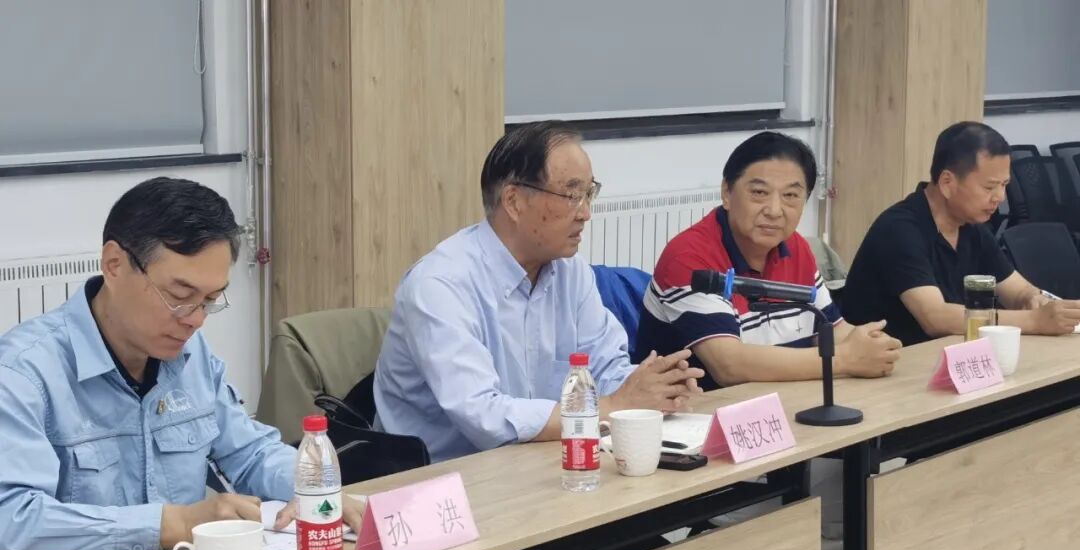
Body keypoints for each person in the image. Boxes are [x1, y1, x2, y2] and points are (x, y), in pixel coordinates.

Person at [0, 177, 361, 550]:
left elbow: (249, 451)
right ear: (114, 265)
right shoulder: (24, 373)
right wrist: (171, 524)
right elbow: (10, 520)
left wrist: (312, 487)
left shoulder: (190, 354)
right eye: (179, 297)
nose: (195, 320)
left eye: (210, 300)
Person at [374, 121, 704, 462]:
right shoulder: (440, 285)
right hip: (441, 477)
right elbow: (484, 416)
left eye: (589, 193)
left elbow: (605, 368)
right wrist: (612, 406)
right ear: (514, 201)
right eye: (572, 195)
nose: (586, 213)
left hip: (539, 461)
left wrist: (654, 386)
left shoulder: (570, 272)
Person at [636, 132, 902, 390]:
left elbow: (832, 332)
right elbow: (729, 366)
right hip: (696, 411)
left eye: (790, 196)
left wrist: (872, 345)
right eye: (759, 193)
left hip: (781, 403)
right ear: (727, 193)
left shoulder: (795, 247)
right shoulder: (689, 257)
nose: (774, 211)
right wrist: (843, 360)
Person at [844, 121, 1080, 346]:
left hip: (950, 357)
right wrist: (1034, 320)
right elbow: (935, 317)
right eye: (989, 187)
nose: (1000, 197)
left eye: (1004, 185)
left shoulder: (972, 227)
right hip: (893, 363)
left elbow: (1017, 290)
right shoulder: (899, 229)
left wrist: (1032, 299)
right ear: (947, 182)